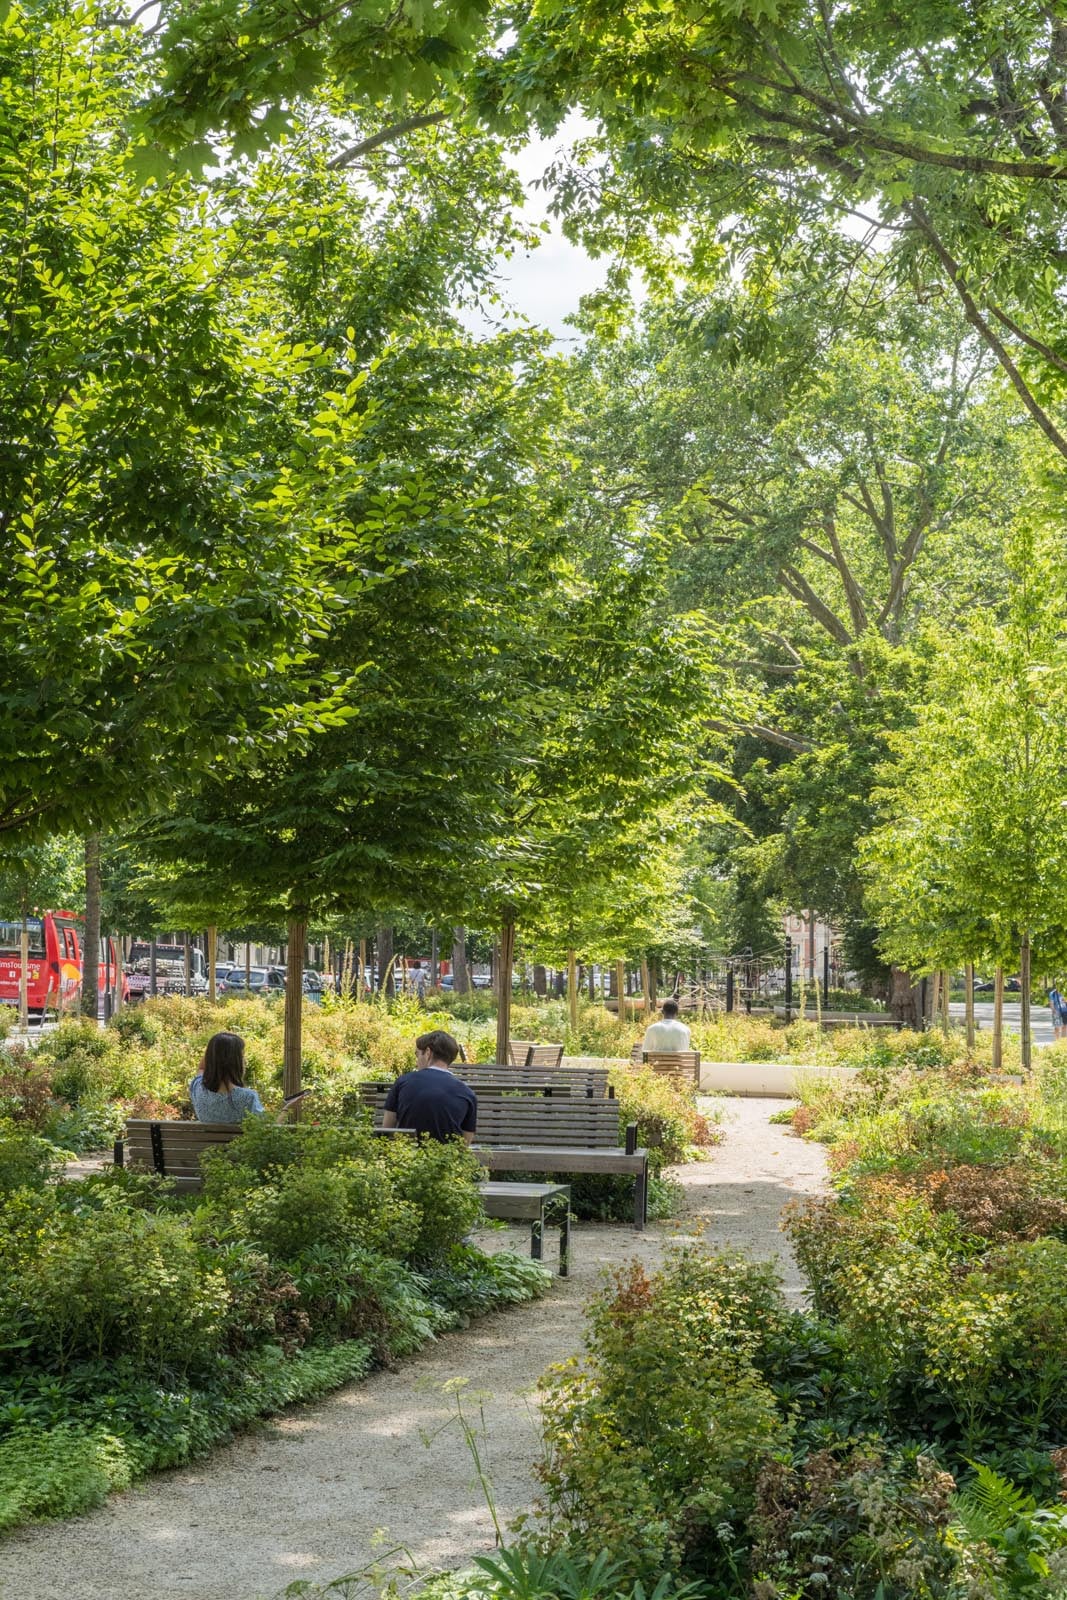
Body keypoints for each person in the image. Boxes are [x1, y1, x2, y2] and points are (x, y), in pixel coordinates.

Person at [381, 1029, 477, 1143]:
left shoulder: (403, 1082)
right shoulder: (467, 1093)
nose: (416, 1062)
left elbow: (386, 1130)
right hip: (446, 1154)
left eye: (417, 1054)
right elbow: (465, 1142)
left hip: (407, 1152)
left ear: (428, 1052)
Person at [189, 1031, 265, 1122]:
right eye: (242, 1056)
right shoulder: (248, 1098)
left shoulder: (198, 1089)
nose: (245, 1060)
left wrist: (214, 1050)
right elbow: (265, 1128)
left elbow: (201, 1068)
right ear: (235, 1062)